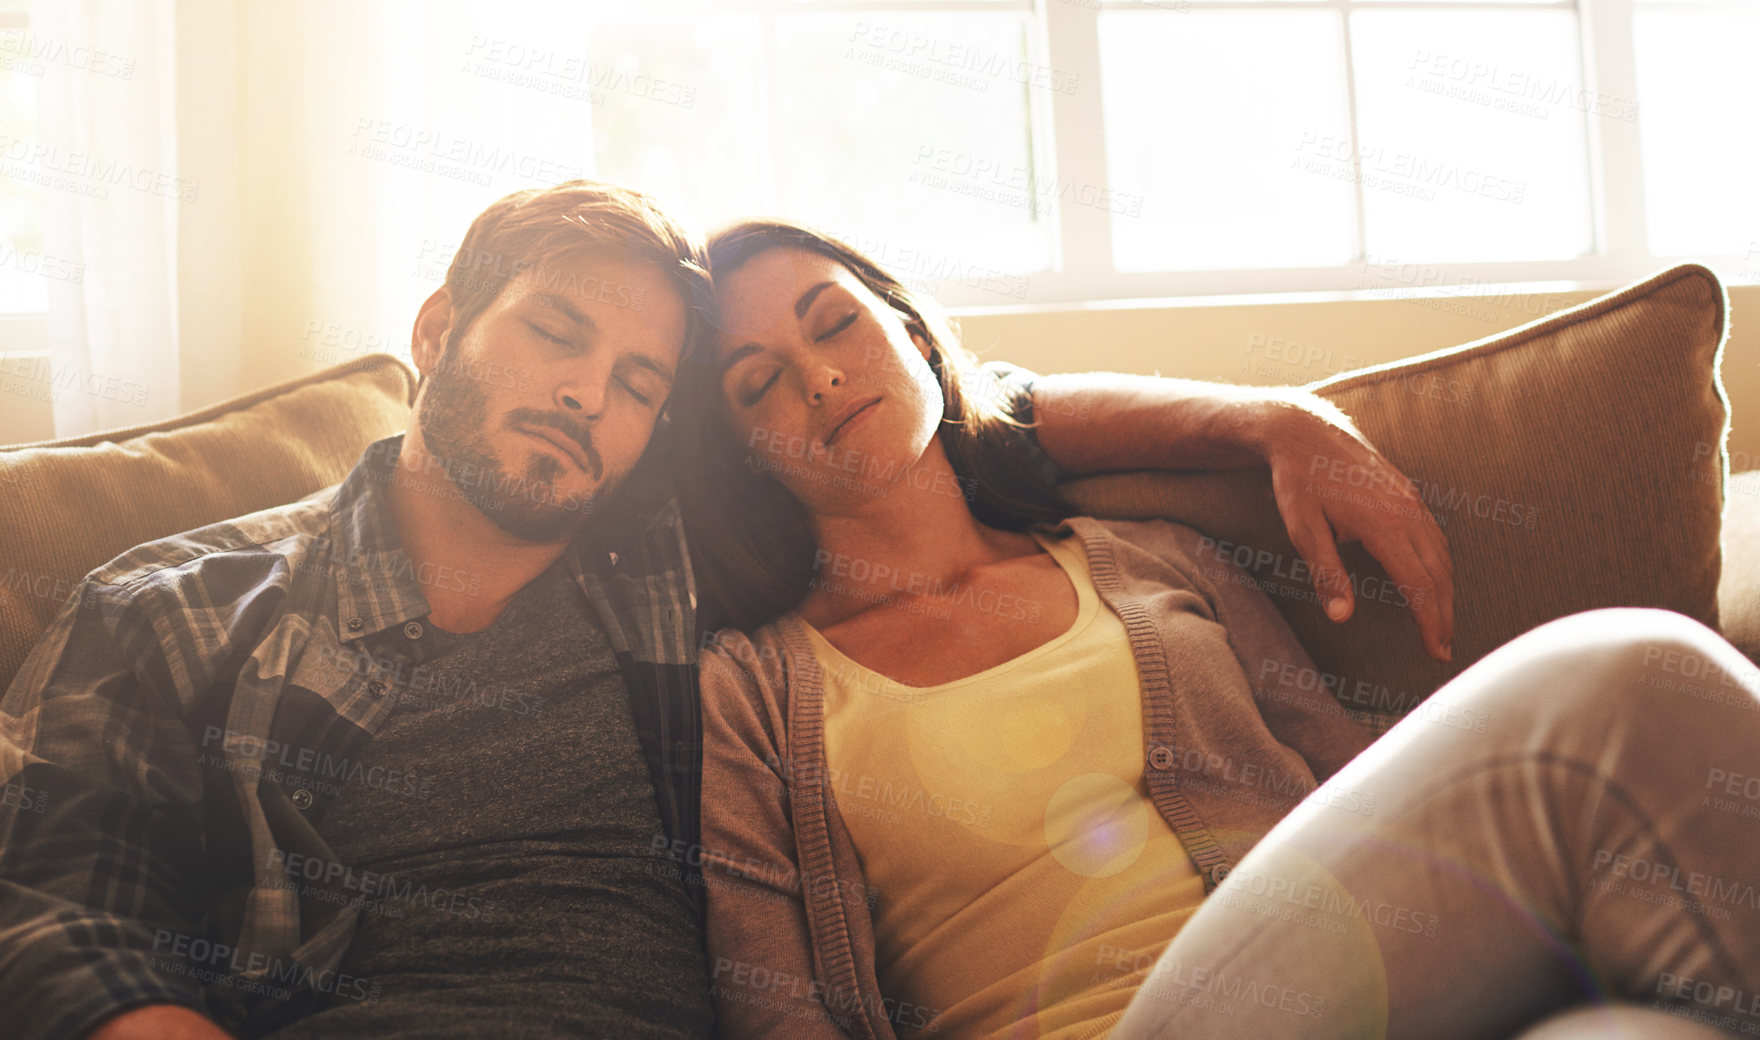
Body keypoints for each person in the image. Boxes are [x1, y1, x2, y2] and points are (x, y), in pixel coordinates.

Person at [0, 183, 1446, 1040]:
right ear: (440, 332)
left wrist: (1271, 420)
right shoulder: (185, 606)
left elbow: (899, 418)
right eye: (557, 335)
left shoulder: (671, 567)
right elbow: (56, 914)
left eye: (641, 385)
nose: (591, 394)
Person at [678, 219, 1760, 1040]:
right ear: (742, 454)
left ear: (912, 333)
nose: (818, 374)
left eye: (835, 322)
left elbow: (1352, 793)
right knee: (1637, 675)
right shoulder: (751, 688)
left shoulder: (1152, 555)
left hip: (1331, 981)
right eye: (758, 382)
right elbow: (775, 1003)